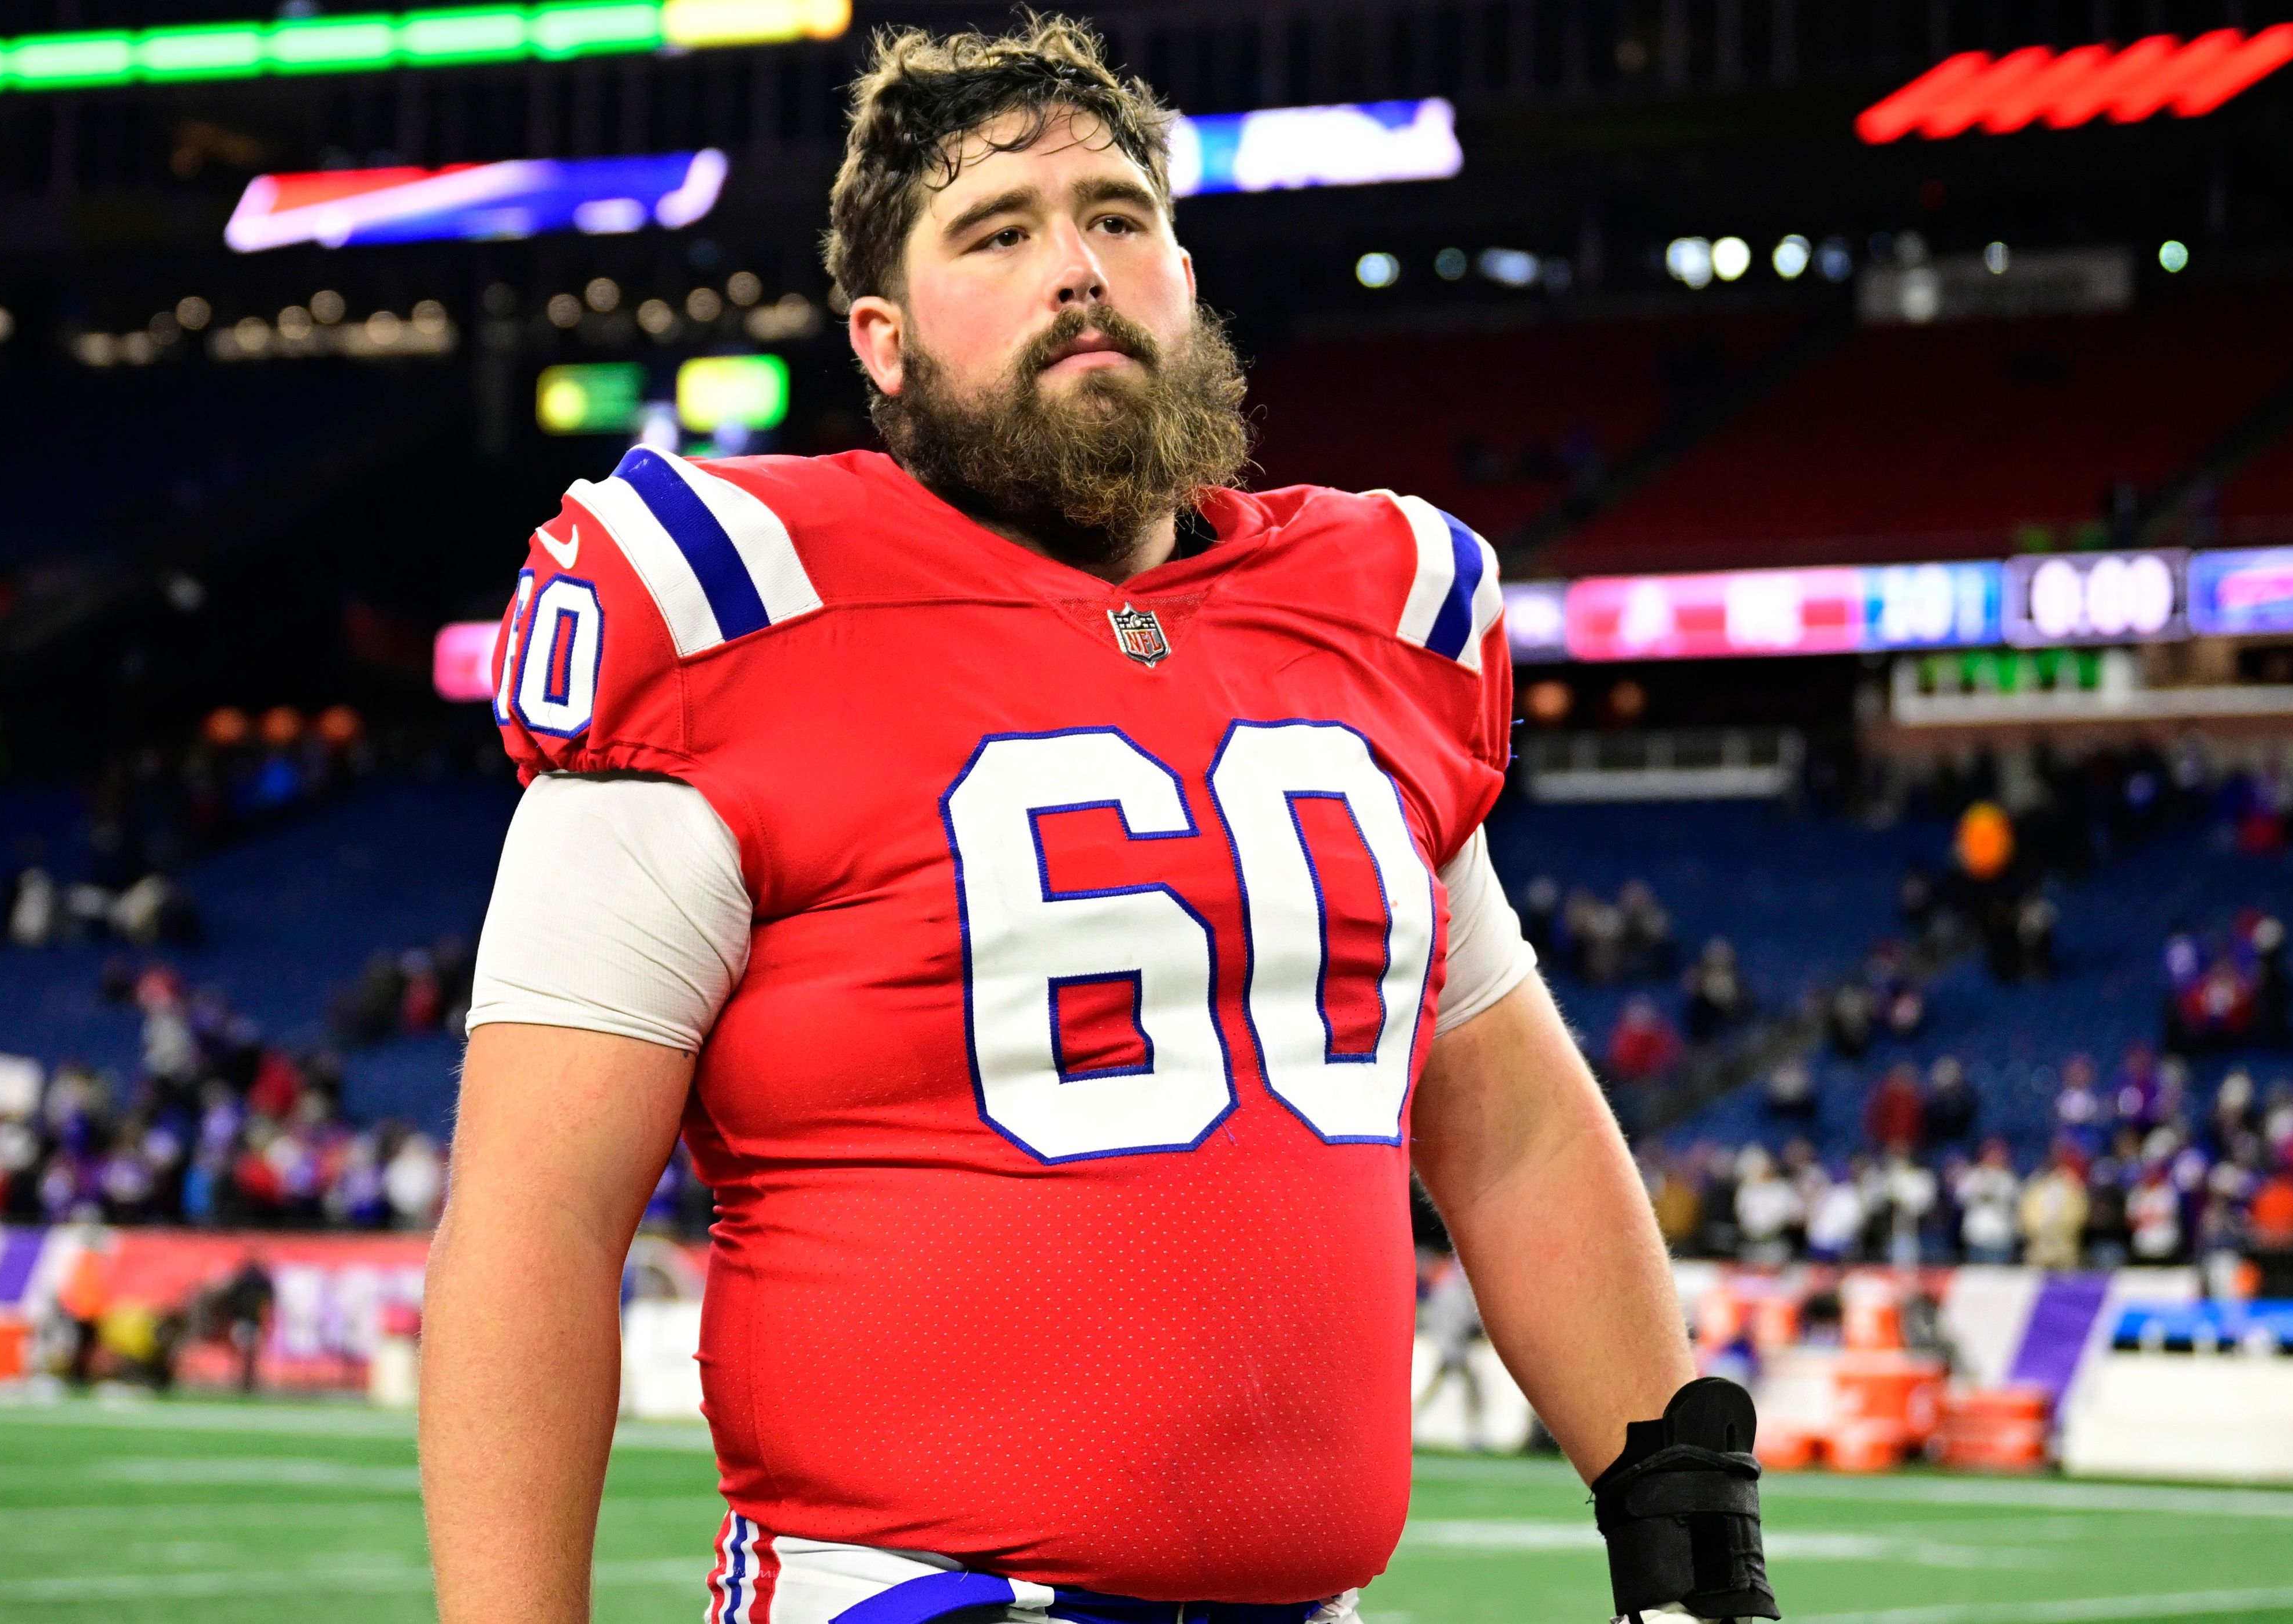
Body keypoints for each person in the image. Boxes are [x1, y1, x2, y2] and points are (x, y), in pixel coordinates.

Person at [416, 19, 1774, 1624]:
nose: (1077, 266)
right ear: (883, 337)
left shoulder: (1378, 620)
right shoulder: (725, 609)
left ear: (1186, 278)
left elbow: (1513, 1123)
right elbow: (534, 1217)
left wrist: (1669, 1492)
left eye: (1119, 218)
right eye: (998, 232)